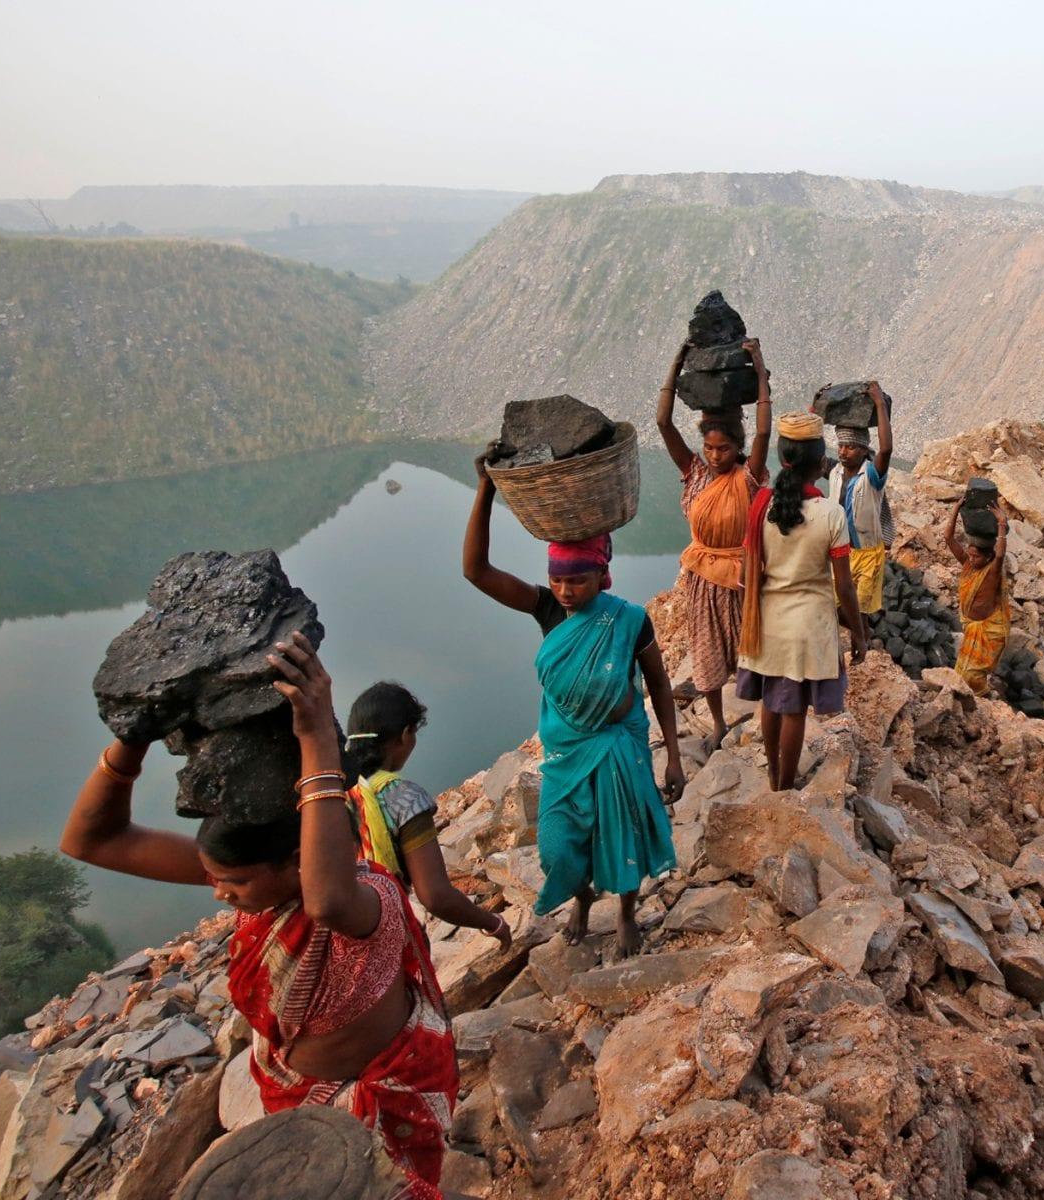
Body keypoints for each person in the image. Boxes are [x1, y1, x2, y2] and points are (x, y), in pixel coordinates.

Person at [61, 634, 456, 1198]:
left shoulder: (366, 899)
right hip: (295, 1100)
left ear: (295, 861)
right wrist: (134, 735)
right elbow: (89, 840)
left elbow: (324, 897)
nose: (220, 893)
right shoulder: (260, 885)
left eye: (233, 882)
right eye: (216, 877)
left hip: (383, 1102)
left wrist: (318, 733)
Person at [463, 455, 684, 958]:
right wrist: (485, 490)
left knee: (622, 830)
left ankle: (626, 914)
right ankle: (582, 899)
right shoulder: (546, 609)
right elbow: (475, 570)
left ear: (602, 575)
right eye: (557, 580)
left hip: (620, 744)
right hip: (566, 753)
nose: (565, 590)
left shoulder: (629, 620)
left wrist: (671, 753)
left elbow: (661, 686)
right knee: (560, 847)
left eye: (577, 581)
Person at [738, 412, 868, 789]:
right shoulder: (830, 512)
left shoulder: (761, 503)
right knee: (793, 709)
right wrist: (858, 634)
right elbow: (844, 587)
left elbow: (749, 570)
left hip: (767, 620)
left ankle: (772, 772)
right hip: (809, 627)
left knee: (770, 701)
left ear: (783, 457)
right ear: (819, 461)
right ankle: (784, 784)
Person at [656, 336, 773, 745]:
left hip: (740, 578)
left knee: (751, 651)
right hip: (702, 580)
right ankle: (720, 721)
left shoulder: (748, 477)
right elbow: (663, 424)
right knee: (706, 656)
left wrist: (759, 369)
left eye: (723, 448)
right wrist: (677, 360)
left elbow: (762, 432)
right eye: (708, 447)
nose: (714, 455)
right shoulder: (697, 474)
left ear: (738, 449)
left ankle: (762, 717)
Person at [345, 681, 512, 950]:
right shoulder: (404, 799)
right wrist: (493, 923)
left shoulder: (328, 794)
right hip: (382, 945)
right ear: (405, 734)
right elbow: (435, 896)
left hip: (331, 945)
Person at [828, 382, 894, 617]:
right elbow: (808, 451)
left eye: (851, 447)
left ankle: (863, 641)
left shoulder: (871, 476)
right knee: (837, 605)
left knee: (861, 610)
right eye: (842, 445)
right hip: (841, 552)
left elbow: (886, 450)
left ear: (864, 450)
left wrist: (879, 404)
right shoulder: (835, 472)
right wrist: (815, 411)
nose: (844, 452)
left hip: (867, 554)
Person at [947, 497, 1011, 693]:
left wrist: (1001, 524)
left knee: (973, 675)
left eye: (977, 557)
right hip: (972, 629)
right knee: (962, 672)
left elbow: (1000, 554)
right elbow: (949, 539)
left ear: (987, 557)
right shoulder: (968, 565)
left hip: (988, 631)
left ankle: (982, 699)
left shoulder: (992, 571)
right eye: (971, 554)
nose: (972, 559)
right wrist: (956, 510)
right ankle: (977, 698)